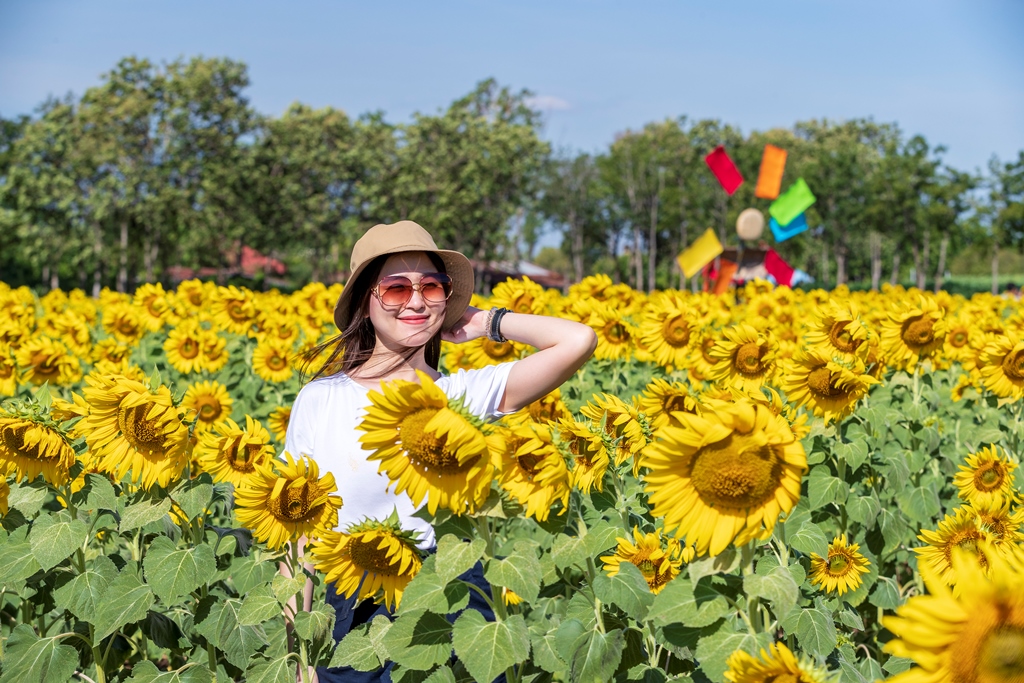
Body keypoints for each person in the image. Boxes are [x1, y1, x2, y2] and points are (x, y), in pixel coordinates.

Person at [283, 220, 597, 682]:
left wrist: (483, 322)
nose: (415, 301)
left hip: (446, 594)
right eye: (395, 289)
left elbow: (578, 340)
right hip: (350, 602)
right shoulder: (322, 399)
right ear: (364, 302)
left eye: (432, 287)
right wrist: (300, 658)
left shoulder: (462, 395)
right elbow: (300, 537)